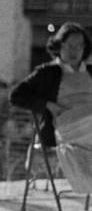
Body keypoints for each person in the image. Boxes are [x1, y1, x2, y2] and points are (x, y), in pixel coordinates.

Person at [10, 22, 92, 194]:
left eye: (79, 46)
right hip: (66, 127)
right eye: (70, 46)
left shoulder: (90, 71)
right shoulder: (48, 73)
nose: (74, 51)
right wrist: (47, 105)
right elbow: (16, 95)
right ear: (59, 46)